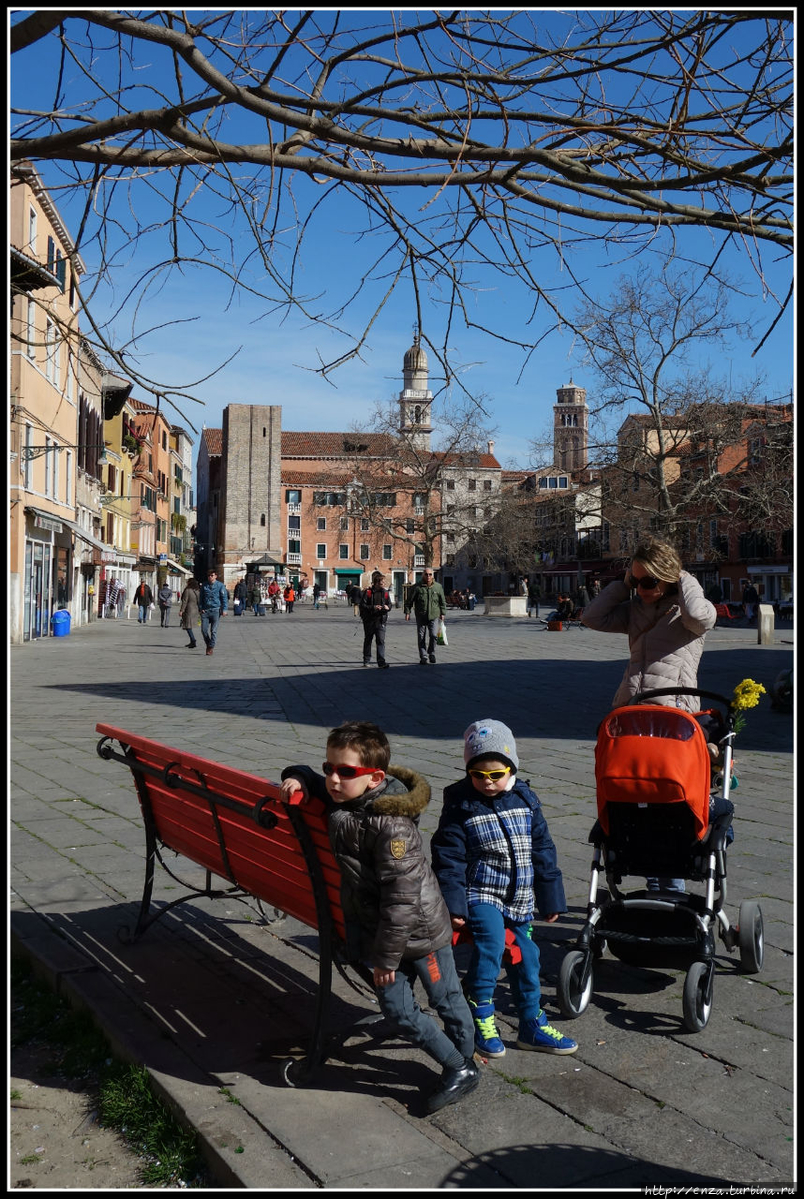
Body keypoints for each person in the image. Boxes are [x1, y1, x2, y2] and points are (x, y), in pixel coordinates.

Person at [278, 721, 479, 1114]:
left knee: (446, 998)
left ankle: (465, 1057)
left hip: (420, 932)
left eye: (345, 771)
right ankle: (461, 1066)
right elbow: (317, 782)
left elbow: (403, 898)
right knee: (398, 1008)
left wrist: (385, 958)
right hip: (382, 933)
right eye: (328, 767)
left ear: (375, 779)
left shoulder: (393, 825)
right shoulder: (345, 795)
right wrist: (296, 777)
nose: (333, 779)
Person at [431, 719, 578, 1060]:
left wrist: (550, 896)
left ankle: (531, 1023)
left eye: (495, 774)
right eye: (478, 774)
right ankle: (480, 1010)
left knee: (529, 957)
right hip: (480, 893)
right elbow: (448, 858)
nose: (487, 782)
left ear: (511, 767)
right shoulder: (460, 805)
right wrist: (455, 907)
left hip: (519, 897)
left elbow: (543, 850)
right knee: (492, 944)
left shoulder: (526, 800)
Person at [581, 539, 717, 892]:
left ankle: (670, 888)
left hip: (673, 716)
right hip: (632, 714)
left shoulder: (688, 614)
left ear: (668, 578)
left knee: (668, 802)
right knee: (634, 798)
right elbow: (591, 617)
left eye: (648, 582)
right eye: (636, 581)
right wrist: (625, 583)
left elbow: (702, 616)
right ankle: (648, 876)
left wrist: (683, 576)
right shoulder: (635, 607)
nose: (641, 589)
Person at [404, 569, 447, 664]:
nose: (428, 576)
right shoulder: (417, 587)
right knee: (421, 636)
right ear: (423, 575)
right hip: (421, 615)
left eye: (430, 574)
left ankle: (431, 652)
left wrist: (443, 613)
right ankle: (423, 656)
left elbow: (442, 601)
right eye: (426, 574)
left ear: (433, 575)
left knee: (434, 635)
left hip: (434, 615)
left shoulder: (438, 587)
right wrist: (407, 612)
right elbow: (409, 601)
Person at [359, 571, 392, 669]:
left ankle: (381, 662)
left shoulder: (385, 593)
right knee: (368, 640)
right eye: (382, 582)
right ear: (377, 583)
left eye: (384, 582)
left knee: (381, 641)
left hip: (381, 620)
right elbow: (363, 605)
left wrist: (387, 607)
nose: (384, 584)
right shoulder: (368, 592)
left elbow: (389, 604)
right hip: (369, 620)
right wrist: (373, 607)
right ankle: (366, 660)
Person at [199, 569, 228, 656]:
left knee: (213, 630)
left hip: (216, 610)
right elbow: (201, 598)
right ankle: (209, 644)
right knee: (203, 630)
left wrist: (224, 609)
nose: (210, 577)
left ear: (215, 576)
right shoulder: (204, 585)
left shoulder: (220, 586)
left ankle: (211, 647)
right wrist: (201, 608)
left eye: (212, 575)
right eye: (209, 576)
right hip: (205, 610)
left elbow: (224, 598)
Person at [179, 578, 201, 648]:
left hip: (189, 610)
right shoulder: (197, 591)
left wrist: (181, 610)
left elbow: (185, 601)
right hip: (195, 610)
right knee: (189, 626)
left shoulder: (187, 590)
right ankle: (192, 641)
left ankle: (193, 640)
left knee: (187, 626)